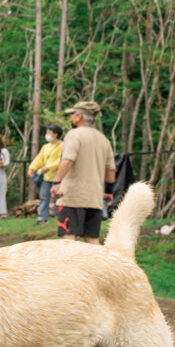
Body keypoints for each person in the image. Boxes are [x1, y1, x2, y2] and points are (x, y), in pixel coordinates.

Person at [51, 101, 116, 245]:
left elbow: (68, 160)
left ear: (78, 116)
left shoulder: (74, 135)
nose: (71, 118)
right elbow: (111, 171)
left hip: (71, 197)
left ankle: (70, 268)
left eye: (73, 115)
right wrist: (109, 192)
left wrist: (56, 182)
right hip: (94, 199)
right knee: (92, 239)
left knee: (68, 238)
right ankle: (101, 268)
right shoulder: (103, 139)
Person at [27, 124, 64, 224]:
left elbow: (61, 161)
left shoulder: (62, 146)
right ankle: (42, 218)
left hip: (58, 177)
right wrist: (32, 167)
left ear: (56, 134)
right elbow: (39, 158)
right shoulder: (45, 147)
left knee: (59, 199)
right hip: (46, 177)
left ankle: (61, 218)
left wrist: (48, 167)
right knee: (44, 197)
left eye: (49, 133)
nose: (47, 135)